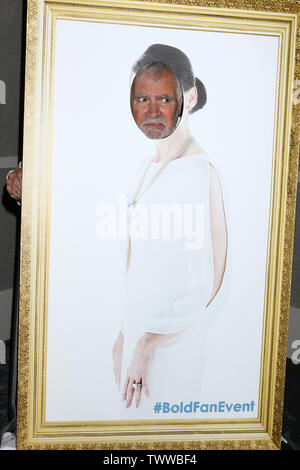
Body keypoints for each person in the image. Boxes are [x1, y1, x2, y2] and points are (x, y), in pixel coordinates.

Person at [112, 44, 228, 417]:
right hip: (136, 352)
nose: (151, 109)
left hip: (173, 359)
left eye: (165, 97)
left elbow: (214, 288)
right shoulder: (144, 169)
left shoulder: (200, 172)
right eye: (142, 97)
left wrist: (149, 344)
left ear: (188, 98)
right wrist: (125, 335)